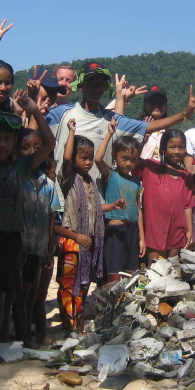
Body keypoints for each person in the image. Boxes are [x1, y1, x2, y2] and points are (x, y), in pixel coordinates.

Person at [45, 61, 195, 207]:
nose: (96, 88)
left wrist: (185, 114)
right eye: (91, 83)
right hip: (63, 203)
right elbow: (34, 135)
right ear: (81, 86)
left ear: (106, 87)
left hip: (98, 204)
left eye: (101, 84)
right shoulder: (61, 114)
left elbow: (148, 126)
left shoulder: (112, 120)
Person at [0, 93, 53, 365]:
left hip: (9, 239)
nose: (1, 143)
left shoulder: (20, 168)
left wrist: (35, 110)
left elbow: (49, 143)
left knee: (0, 297)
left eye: (8, 138)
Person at [55, 120, 126, 332]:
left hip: (88, 241)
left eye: (90, 158)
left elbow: (93, 209)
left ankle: (77, 322)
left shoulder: (90, 182)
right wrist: (71, 132)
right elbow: (66, 159)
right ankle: (69, 324)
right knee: (69, 284)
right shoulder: (68, 179)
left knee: (83, 282)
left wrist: (112, 205)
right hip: (72, 239)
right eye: (83, 158)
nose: (88, 163)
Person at [15, 130, 56, 348]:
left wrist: (50, 249)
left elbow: (50, 217)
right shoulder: (16, 178)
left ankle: (32, 333)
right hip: (18, 247)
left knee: (34, 294)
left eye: (36, 148)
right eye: (25, 147)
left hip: (39, 248)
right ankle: (21, 336)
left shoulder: (47, 184)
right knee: (18, 295)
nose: (32, 152)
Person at [95, 119, 145, 280]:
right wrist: (109, 134)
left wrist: (142, 238)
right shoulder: (111, 175)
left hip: (132, 231)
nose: (129, 163)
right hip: (115, 230)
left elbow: (138, 210)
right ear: (114, 156)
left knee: (130, 274)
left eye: (133, 160)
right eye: (125, 158)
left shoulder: (137, 183)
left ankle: (124, 304)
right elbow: (98, 159)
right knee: (113, 272)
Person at [141, 130, 195, 261]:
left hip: (177, 230)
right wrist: (143, 138)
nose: (177, 151)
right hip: (155, 229)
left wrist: (189, 230)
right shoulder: (150, 168)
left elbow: (188, 205)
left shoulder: (186, 175)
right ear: (163, 149)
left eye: (181, 147)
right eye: (172, 147)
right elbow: (133, 157)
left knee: (172, 270)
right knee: (154, 270)